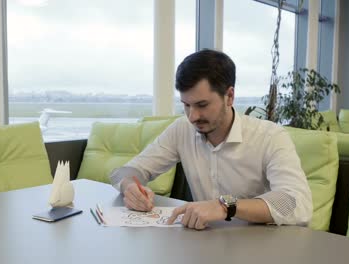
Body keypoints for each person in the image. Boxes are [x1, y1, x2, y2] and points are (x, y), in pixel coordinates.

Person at [110, 49, 313, 230]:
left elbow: (295, 202)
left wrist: (224, 205)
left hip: (264, 246)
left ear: (230, 96)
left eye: (202, 105)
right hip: (207, 243)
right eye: (186, 105)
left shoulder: (270, 137)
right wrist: (130, 188)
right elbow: (126, 171)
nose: (192, 116)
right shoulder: (182, 129)